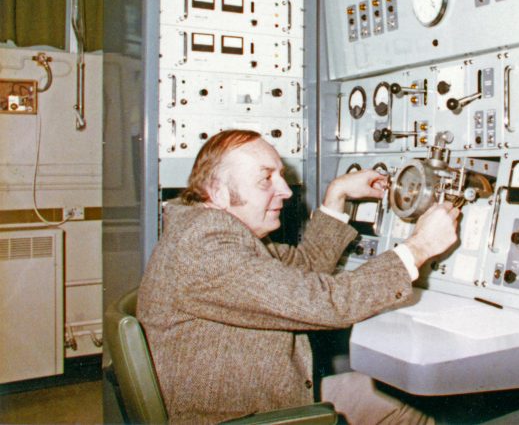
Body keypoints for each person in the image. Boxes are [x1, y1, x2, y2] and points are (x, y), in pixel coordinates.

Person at [137, 129, 460, 424]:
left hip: (258, 396)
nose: (285, 190)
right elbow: (328, 303)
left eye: (280, 175)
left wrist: (338, 195)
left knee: (392, 402)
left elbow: (304, 265)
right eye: (266, 179)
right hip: (239, 416)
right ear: (219, 193)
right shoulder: (207, 248)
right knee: (408, 411)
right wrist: (419, 247)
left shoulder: (215, 231)